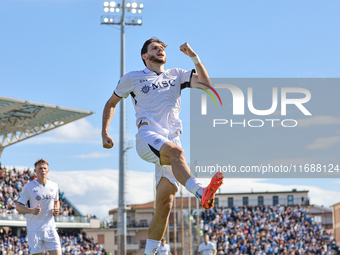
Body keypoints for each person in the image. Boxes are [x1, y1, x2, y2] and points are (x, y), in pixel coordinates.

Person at [102, 37, 223, 255]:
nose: (160, 51)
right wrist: (104, 133)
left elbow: (206, 84)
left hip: (171, 140)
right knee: (177, 153)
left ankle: (150, 253)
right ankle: (201, 191)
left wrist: (194, 57)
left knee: (165, 205)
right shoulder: (133, 77)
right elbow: (111, 103)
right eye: (154, 48)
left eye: (162, 48)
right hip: (147, 136)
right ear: (144, 56)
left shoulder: (176, 74)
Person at [16, 159, 61, 255]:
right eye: (40, 168)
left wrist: (56, 209)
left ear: (48, 170)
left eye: (45, 168)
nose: (43, 170)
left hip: (50, 228)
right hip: (34, 230)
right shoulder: (28, 187)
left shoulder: (54, 186)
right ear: (35, 171)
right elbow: (18, 206)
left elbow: (56, 201)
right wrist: (31, 211)